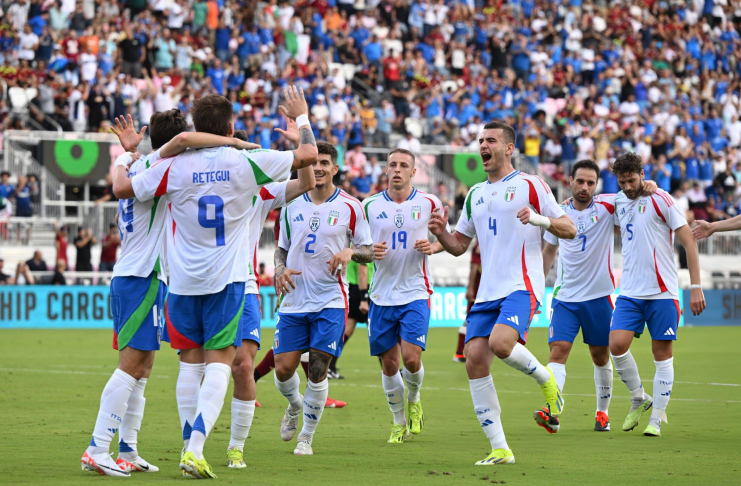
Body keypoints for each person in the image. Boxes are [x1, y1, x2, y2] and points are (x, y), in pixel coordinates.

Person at [114, 88, 316, 478]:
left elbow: (125, 187)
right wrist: (302, 120)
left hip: (182, 281)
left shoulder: (175, 167)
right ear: (229, 127)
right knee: (223, 363)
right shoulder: (247, 165)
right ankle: (196, 448)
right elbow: (307, 159)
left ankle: (199, 445)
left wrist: (131, 155)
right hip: (227, 280)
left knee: (191, 366)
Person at [428, 121, 576, 466]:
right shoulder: (475, 194)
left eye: (490, 140)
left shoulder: (530, 184)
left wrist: (539, 220)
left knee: (501, 343)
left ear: (509, 148)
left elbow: (568, 227)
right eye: (480, 140)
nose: (483, 145)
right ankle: (501, 448)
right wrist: (441, 233)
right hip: (487, 291)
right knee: (474, 359)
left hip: (522, 284)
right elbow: (460, 245)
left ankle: (548, 381)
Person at [80, 110, 192, 477]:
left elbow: (121, 181)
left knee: (143, 366)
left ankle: (127, 448)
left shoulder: (137, 166)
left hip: (144, 277)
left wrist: (126, 153)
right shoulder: (159, 171)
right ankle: (98, 447)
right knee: (131, 365)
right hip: (139, 278)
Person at [224, 113, 315, 469]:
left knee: (242, 367)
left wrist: (298, 143)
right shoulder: (196, 178)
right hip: (198, 286)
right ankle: (193, 444)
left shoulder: (261, 191)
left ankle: (235, 449)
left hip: (242, 285)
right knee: (203, 370)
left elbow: (305, 182)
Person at [540, 160, 657, 433]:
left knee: (600, 355)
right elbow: (548, 252)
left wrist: (648, 186)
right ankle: (552, 410)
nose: (585, 187)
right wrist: (536, 287)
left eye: (590, 183)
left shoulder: (608, 205)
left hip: (599, 296)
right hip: (565, 297)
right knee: (558, 350)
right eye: (580, 181)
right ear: (570, 180)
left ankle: (602, 413)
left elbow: (634, 195)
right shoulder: (558, 212)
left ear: (597, 185)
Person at [273, 141, 373, 456]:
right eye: (313, 163)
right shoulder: (291, 206)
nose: (318, 168)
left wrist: (350, 251)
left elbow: (369, 251)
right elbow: (282, 248)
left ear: (335, 168)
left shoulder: (351, 206)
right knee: (283, 370)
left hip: (331, 301)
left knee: (317, 370)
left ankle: (306, 438)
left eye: (325, 163)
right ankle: (293, 406)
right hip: (294, 299)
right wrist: (278, 268)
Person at [610, 152, 705, 437]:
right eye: (622, 182)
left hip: (663, 292)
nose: (627, 186)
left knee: (662, 355)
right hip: (629, 292)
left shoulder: (661, 198)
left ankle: (656, 419)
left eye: (631, 180)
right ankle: (640, 396)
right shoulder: (617, 202)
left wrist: (696, 287)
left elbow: (689, 242)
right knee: (616, 345)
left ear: (642, 173)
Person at [361, 148, 444, 443]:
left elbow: (446, 239)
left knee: (410, 359)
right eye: (392, 164)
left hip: (415, 292)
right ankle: (398, 423)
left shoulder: (430, 203)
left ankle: (415, 397)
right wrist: (368, 252)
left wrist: (433, 247)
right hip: (381, 296)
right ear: (386, 170)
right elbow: (358, 249)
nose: (397, 169)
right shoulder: (368, 206)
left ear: (413, 172)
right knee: (389, 364)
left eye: (403, 165)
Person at [327, 258, 372, 379]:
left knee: (348, 330)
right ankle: (388, 369)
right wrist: (364, 299)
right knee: (375, 330)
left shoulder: (356, 248)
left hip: (355, 290)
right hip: (362, 291)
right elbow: (362, 272)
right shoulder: (362, 248)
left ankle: (329, 366)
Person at [455, 241, 481, 362]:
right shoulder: (479, 246)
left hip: (483, 288)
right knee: (470, 320)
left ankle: (462, 352)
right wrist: (471, 288)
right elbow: (474, 267)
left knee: (473, 321)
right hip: (479, 289)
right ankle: (460, 352)